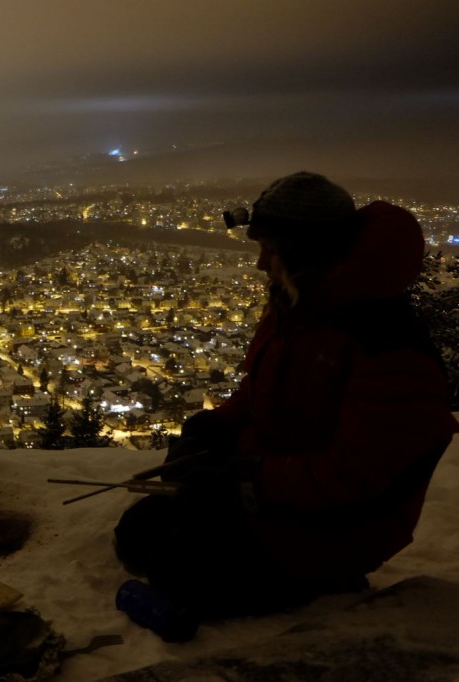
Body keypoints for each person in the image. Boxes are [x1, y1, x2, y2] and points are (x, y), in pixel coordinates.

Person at [113, 171, 459, 641]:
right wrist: (214, 427)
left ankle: (332, 582)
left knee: (179, 571)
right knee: (138, 535)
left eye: (269, 251)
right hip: (277, 487)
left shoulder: (386, 344)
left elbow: (356, 476)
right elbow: (264, 393)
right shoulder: (296, 310)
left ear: (303, 254)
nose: (259, 265)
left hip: (340, 524)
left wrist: (246, 478)